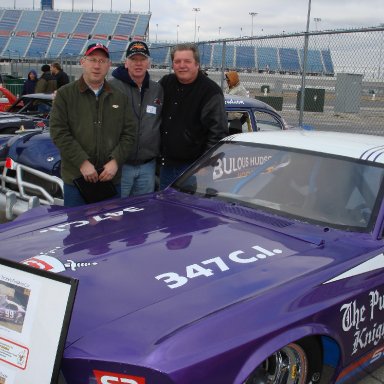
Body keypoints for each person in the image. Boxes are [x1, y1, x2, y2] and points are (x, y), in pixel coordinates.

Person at [50, 42, 136, 207]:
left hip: (110, 179)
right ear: (83, 62)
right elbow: (58, 132)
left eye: (102, 61)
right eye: (92, 60)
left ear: (109, 65)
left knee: (110, 230)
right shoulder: (65, 94)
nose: (97, 65)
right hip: (77, 180)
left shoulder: (120, 97)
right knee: (78, 231)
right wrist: (82, 162)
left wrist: (115, 161)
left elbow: (129, 134)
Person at [158, 43, 228, 190]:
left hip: (194, 170)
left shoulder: (210, 92)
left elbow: (218, 133)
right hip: (166, 166)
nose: (182, 65)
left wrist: (206, 164)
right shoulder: (166, 83)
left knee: (190, 211)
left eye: (187, 61)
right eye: (177, 61)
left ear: (197, 64)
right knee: (165, 211)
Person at [109, 40, 163, 197]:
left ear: (149, 63)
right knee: (117, 212)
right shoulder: (112, 87)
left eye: (142, 60)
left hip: (148, 165)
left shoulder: (156, 89)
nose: (138, 64)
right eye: (133, 60)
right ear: (126, 63)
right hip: (120, 165)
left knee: (143, 212)